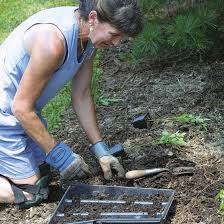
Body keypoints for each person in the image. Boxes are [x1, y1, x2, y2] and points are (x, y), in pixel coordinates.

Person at [0, 0, 143, 208]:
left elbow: (82, 95)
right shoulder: (53, 43)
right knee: (32, 192)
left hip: (23, 113)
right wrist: (60, 154)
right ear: (93, 18)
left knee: (45, 175)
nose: (117, 43)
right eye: (114, 34)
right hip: (8, 115)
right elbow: (20, 108)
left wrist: (100, 149)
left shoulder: (88, 39)